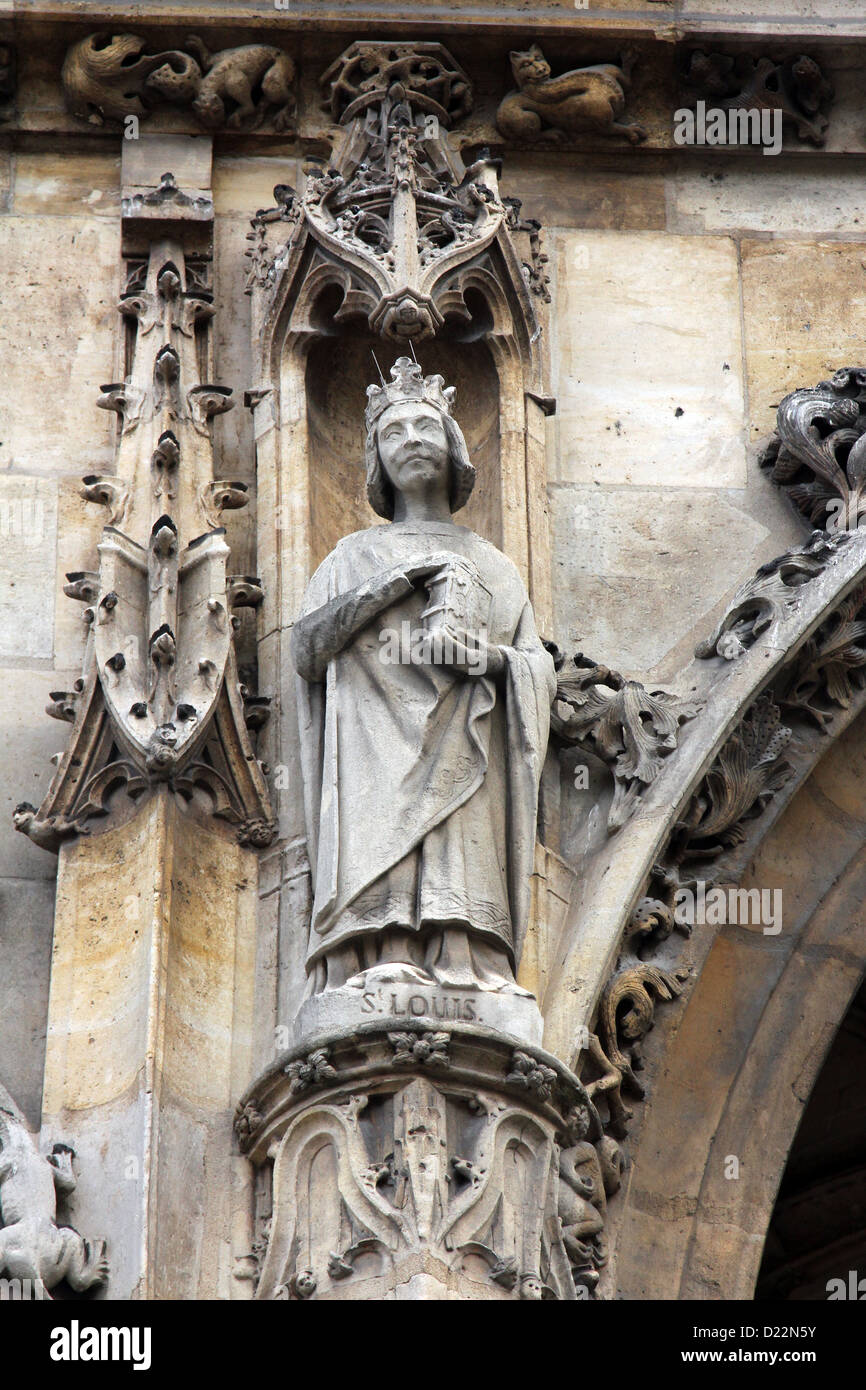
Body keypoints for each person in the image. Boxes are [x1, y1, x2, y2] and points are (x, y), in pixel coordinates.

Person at [292, 356, 556, 997]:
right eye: (393, 432)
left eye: (425, 427)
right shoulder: (352, 556)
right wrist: (393, 584)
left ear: (453, 447)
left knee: (460, 846)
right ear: (377, 461)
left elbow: (536, 666)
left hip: (466, 740)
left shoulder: (490, 562)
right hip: (373, 753)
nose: (410, 439)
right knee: (382, 852)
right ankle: (383, 950)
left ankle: (465, 959)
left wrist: (488, 661)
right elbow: (308, 649)